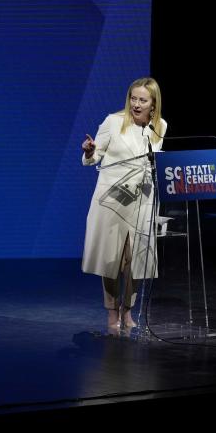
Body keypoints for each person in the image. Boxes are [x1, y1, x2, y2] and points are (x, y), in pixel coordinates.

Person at [81, 77, 167, 330]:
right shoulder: (113, 121)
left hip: (143, 199)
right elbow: (94, 156)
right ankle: (111, 312)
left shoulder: (160, 126)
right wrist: (89, 151)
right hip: (112, 199)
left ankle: (127, 310)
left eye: (143, 100)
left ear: (153, 104)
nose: (136, 104)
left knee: (135, 261)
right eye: (133, 98)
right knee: (111, 259)